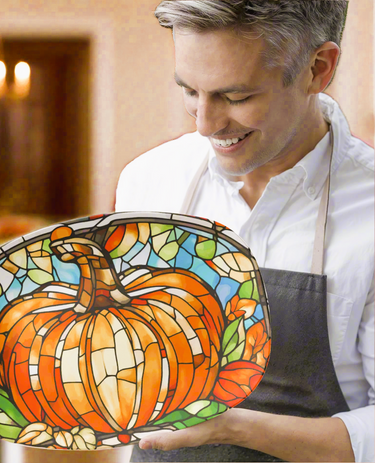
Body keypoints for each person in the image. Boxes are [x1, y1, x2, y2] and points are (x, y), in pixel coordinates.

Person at [115, 1, 374, 462]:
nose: (204, 124)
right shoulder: (148, 180)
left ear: (318, 68)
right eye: (189, 90)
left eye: (235, 97)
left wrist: (233, 427)